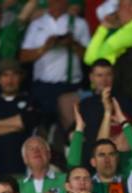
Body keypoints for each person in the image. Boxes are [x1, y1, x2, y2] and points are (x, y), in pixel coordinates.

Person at [19, 0, 91, 131]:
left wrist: (73, 44)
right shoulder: (37, 24)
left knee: (72, 129)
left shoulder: (79, 23)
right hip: (42, 87)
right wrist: (45, 47)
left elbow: (89, 58)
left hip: (70, 86)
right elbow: (23, 57)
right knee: (41, 129)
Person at [0, 58, 40, 176]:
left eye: (14, 75)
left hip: (23, 166)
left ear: (20, 78)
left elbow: (28, 121)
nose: (10, 80)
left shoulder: (30, 101)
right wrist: (16, 126)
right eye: (5, 75)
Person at [84, 0, 132, 65]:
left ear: (130, 8)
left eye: (119, 7)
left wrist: (103, 27)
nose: (117, 12)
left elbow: (90, 60)